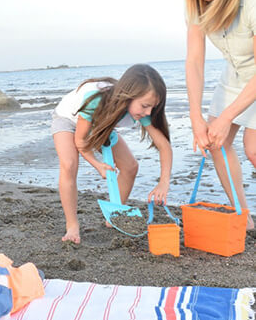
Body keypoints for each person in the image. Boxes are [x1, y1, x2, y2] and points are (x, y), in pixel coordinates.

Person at [172, 0, 255, 230]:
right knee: (215, 141)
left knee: (254, 148)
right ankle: (243, 218)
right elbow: (195, 59)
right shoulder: (195, 1)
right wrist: (195, 115)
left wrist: (228, 116)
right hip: (235, 73)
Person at [51, 64, 172, 244]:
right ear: (129, 96)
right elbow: (81, 142)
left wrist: (163, 182)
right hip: (69, 120)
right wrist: (97, 164)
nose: (148, 112)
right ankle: (72, 225)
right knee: (69, 164)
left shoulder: (141, 110)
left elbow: (164, 146)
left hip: (101, 122)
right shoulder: (95, 100)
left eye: (152, 108)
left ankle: (115, 216)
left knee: (130, 167)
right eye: (145, 106)